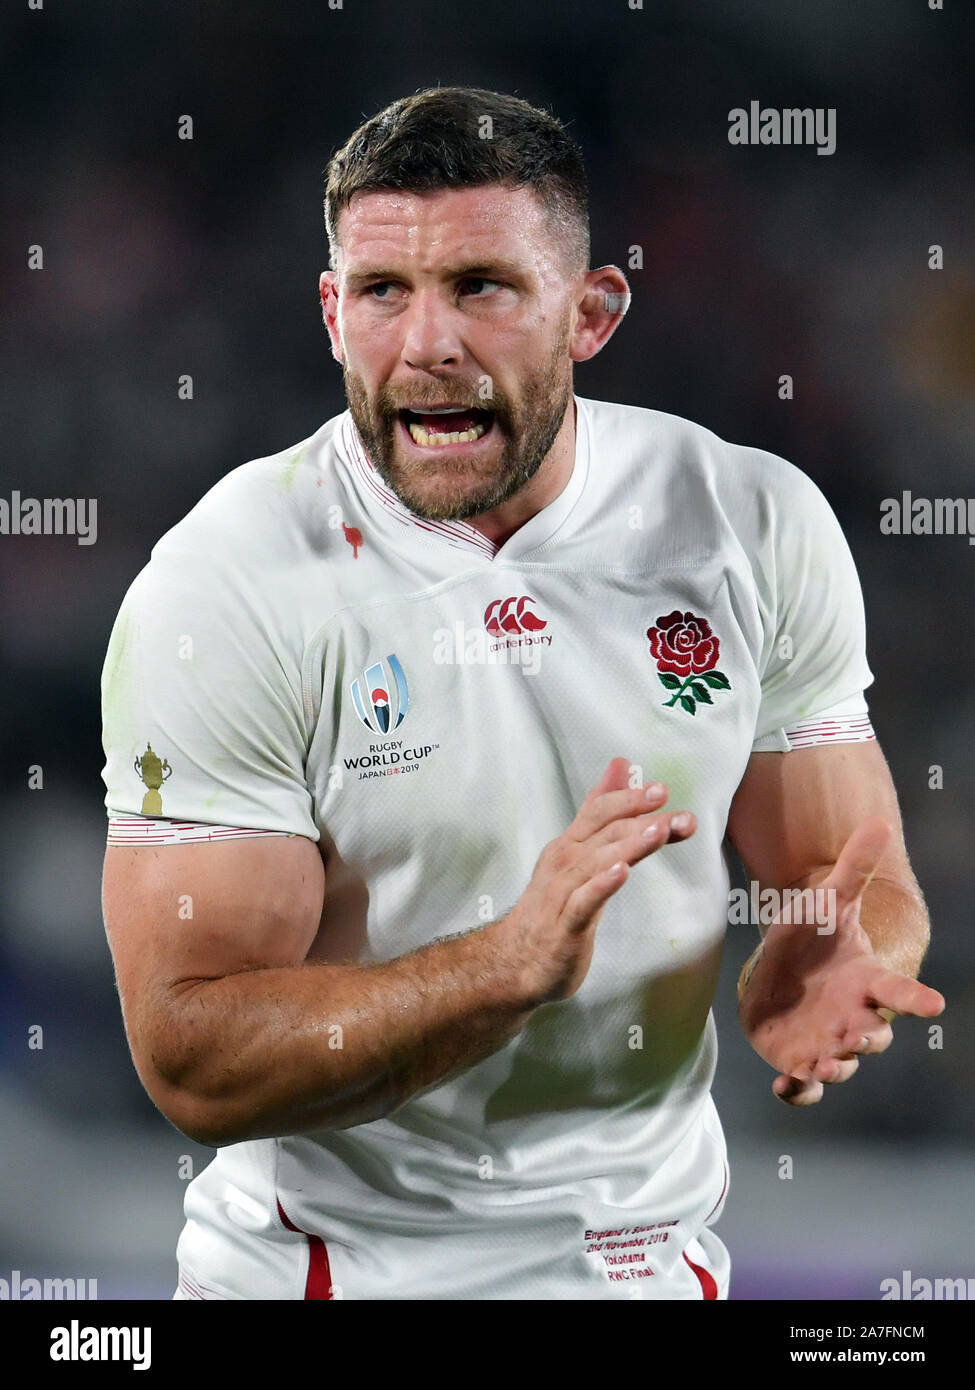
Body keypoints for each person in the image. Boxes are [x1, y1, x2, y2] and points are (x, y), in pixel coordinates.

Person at [100, 87, 944, 1301]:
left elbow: (850, 869)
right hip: (335, 1278)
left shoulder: (747, 521)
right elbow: (193, 1063)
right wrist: (503, 965)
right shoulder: (227, 584)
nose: (428, 343)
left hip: (648, 1272)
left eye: (483, 287)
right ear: (333, 313)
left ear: (590, 313)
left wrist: (845, 951)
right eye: (384, 292)